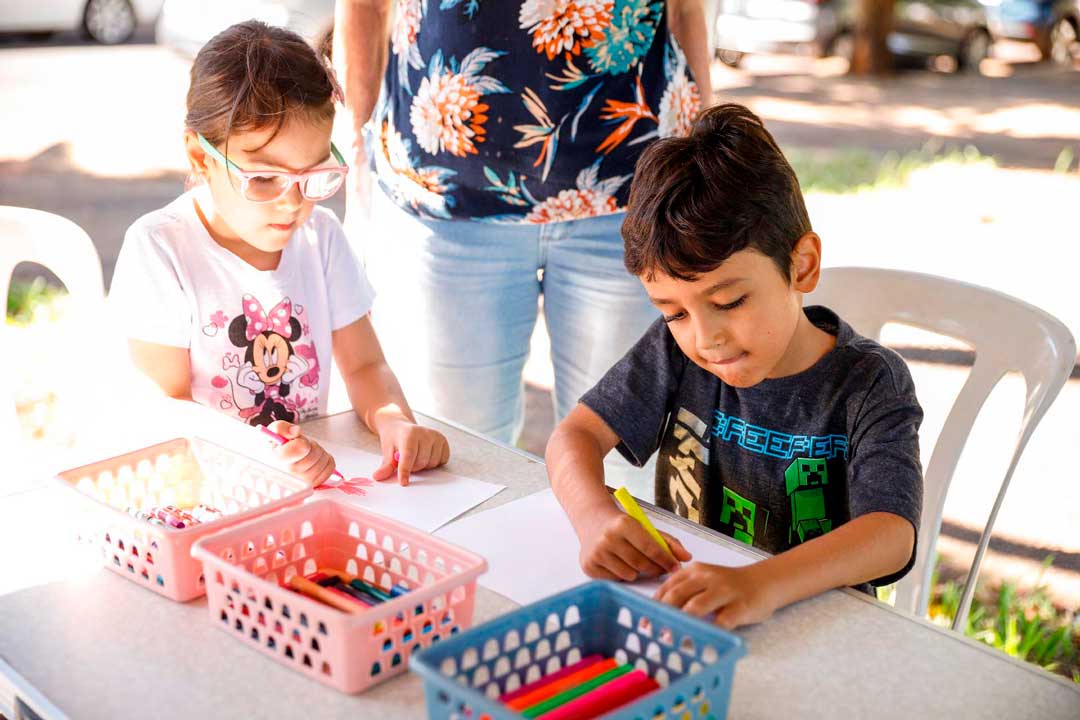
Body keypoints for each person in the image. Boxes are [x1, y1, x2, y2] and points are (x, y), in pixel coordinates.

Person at [546, 103, 924, 629]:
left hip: (820, 628)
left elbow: (890, 533)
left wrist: (760, 584)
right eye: (675, 312)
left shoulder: (868, 383)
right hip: (689, 615)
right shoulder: (674, 352)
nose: (705, 339)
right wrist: (593, 518)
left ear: (803, 265)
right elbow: (575, 436)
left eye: (728, 302)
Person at [333, 0, 713, 445]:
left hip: (633, 196)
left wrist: (705, 152)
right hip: (443, 197)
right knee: (458, 453)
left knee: (622, 455)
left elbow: (686, 9)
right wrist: (355, 144)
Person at [110, 21, 448, 487]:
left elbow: (366, 366)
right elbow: (164, 405)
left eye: (312, 176)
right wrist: (264, 452)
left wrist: (394, 422)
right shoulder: (161, 248)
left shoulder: (321, 238)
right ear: (201, 156)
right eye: (264, 178)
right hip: (203, 494)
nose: (293, 203)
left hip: (300, 493)